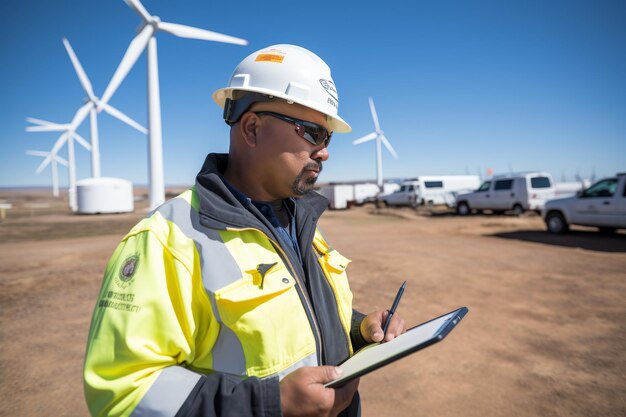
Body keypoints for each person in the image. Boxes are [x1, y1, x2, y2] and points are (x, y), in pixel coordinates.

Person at [83, 44, 406, 417]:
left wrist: (358, 328)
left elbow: (296, 324)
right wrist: (269, 406)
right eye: (314, 132)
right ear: (252, 128)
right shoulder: (167, 240)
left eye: (328, 137)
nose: (325, 152)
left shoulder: (299, 222)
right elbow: (120, 394)